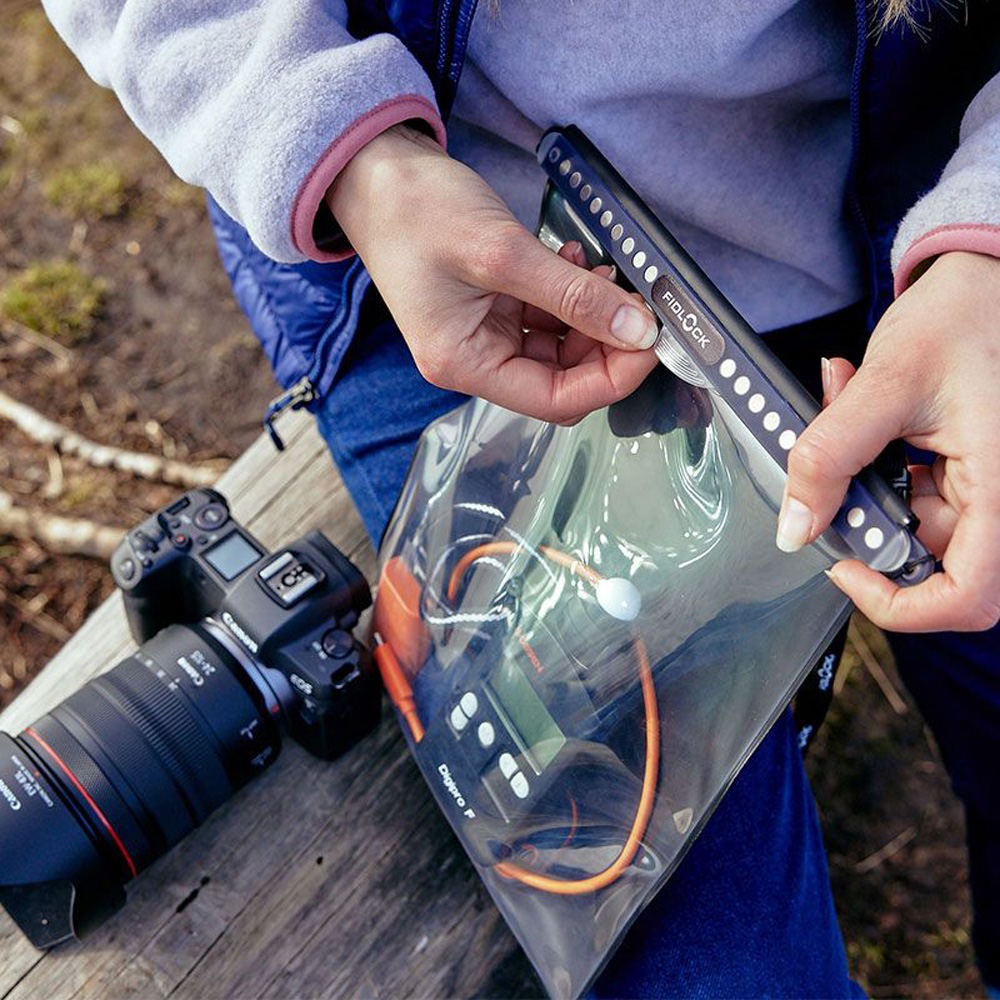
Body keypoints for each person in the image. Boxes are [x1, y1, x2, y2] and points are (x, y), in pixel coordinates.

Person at [41, 0, 1000, 994]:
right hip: (457, 244)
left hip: (939, 233)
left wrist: (986, 241)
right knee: (724, 968)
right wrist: (349, 154)